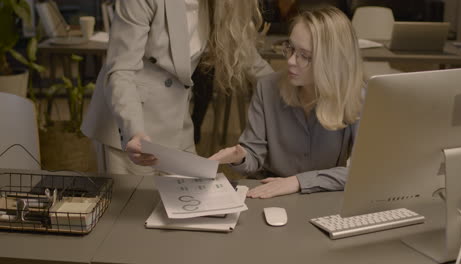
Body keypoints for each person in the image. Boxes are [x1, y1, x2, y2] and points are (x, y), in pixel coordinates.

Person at [81, 0, 273, 175]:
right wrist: (134, 131)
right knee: (134, 210)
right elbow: (121, 71)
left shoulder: (218, 4)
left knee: (191, 199)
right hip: (131, 124)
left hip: (178, 123)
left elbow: (245, 53)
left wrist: (286, 85)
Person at [209, 6, 365, 199]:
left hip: (322, 195)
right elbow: (253, 156)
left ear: (331, 60)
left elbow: (365, 172)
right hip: (269, 192)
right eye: (290, 48)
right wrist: (241, 157)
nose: (291, 61)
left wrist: (298, 181)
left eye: (304, 56)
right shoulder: (267, 88)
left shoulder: (357, 96)